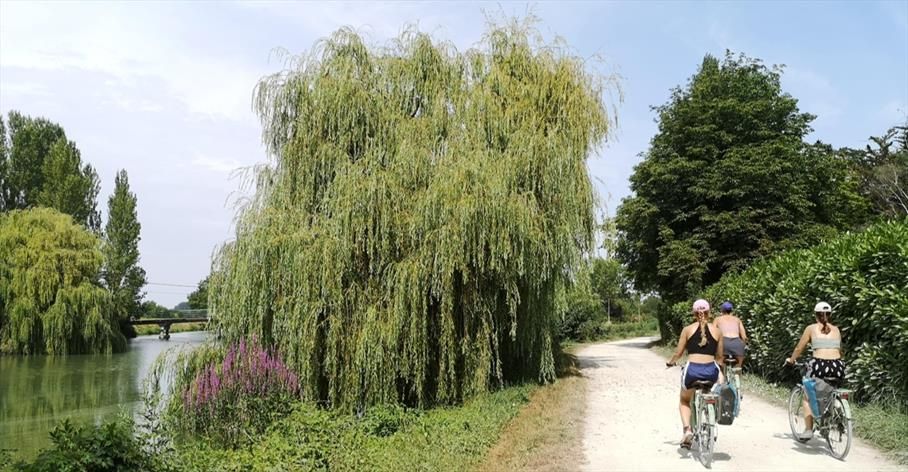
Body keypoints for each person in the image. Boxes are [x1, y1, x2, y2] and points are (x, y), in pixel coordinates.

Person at [666, 299, 725, 448]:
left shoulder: (687, 330)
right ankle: (711, 416)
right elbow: (720, 358)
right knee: (715, 390)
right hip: (711, 371)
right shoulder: (717, 331)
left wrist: (671, 362)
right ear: (709, 313)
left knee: (684, 400)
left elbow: (678, 353)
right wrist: (720, 372)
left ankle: (687, 430)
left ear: (694, 314)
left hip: (692, 370)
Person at [785, 301, 845, 440]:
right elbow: (840, 350)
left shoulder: (811, 328)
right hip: (838, 366)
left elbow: (799, 348)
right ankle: (832, 415)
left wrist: (791, 360)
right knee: (831, 389)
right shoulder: (836, 329)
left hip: (820, 366)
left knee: (807, 395)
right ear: (829, 315)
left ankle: (808, 430)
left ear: (815, 315)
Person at [714, 301, 747, 368]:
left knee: (719, 365)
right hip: (737, 343)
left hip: (724, 342)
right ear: (732, 310)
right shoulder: (737, 320)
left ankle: (722, 375)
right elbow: (744, 337)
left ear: (722, 310)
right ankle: (737, 376)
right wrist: (742, 346)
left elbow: (713, 333)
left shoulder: (717, 319)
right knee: (738, 368)